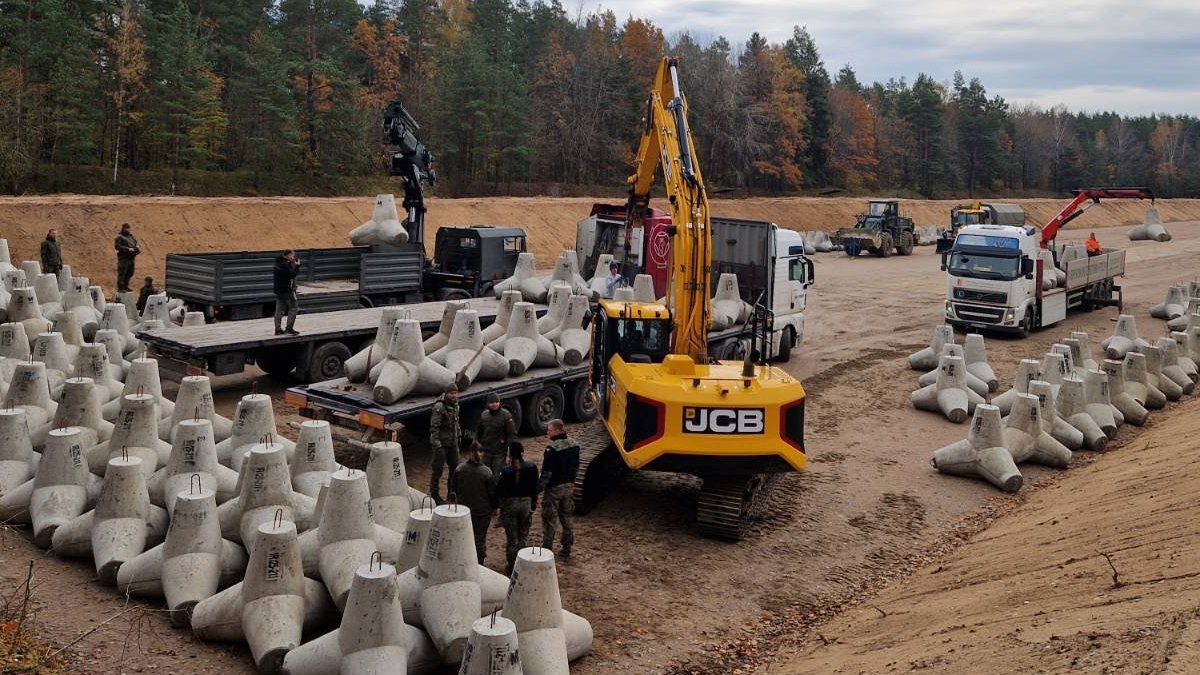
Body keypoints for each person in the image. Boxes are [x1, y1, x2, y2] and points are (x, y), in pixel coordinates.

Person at [449, 439, 496, 565]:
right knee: (479, 539)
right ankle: (478, 563)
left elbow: (452, 490)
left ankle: (464, 560)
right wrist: (494, 508)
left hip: (464, 511)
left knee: (465, 537)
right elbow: (492, 494)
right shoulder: (486, 472)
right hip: (482, 512)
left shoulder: (460, 469)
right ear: (481, 454)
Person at [539, 418, 579, 561]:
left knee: (550, 520)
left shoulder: (552, 449)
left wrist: (538, 489)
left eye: (549, 430)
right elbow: (576, 466)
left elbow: (546, 473)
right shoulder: (575, 444)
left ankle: (546, 551)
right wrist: (573, 482)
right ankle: (567, 550)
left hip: (554, 489)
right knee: (567, 519)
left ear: (557, 430)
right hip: (568, 487)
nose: (547, 432)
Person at [496, 441, 539, 574]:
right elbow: (535, 489)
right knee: (523, 535)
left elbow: (500, 491)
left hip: (511, 505)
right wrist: (533, 504)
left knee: (511, 538)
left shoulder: (506, 471)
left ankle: (511, 565)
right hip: (526, 504)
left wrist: (500, 507)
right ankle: (523, 562)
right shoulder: (532, 467)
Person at [428, 384, 461, 503]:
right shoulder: (439, 407)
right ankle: (435, 495)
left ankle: (451, 494)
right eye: (451, 393)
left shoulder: (456, 405)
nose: (453, 396)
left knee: (455, 469)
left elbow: (456, 423)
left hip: (453, 443)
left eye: (455, 393)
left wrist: (459, 436)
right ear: (446, 394)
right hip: (441, 445)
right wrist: (437, 444)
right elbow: (434, 427)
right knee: (437, 470)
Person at [475, 392, 517, 478]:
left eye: (496, 402)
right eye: (492, 402)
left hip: (499, 453)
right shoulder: (484, 415)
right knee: (484, 475)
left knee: (497, 476)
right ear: (488, 403)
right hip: (486, 451)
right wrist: (475, 445)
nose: (494, 404)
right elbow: (479, 432)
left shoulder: (506, 415)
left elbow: (511, 435)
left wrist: (510, 453)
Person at [273, 249, 301, 335]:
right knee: (293, 308)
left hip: (278, 290)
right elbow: (291, 275)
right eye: (292, 255)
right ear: (288, 255)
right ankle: (289, 328)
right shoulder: (285, 265)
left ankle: (278, 330)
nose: (294, 257)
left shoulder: (278, 262)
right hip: (287, 290)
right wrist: (297, 266)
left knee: (279, 310)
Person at [114, 223, 140, 292]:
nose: (128, 230)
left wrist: (137, 246)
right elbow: (117, 246)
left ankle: (125, 286)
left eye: (129, 228)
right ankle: (120, 288)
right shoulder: (119, 237)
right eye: (127, 228)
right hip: (124, 258)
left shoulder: (131, 237)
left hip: (131, 258)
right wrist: (128, 249)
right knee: (122, 273)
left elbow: (136, 242)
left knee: (130, 272)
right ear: (123, 229)